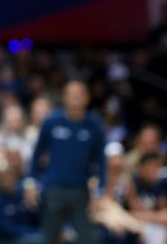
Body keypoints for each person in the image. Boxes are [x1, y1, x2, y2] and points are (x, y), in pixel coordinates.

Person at [28, 81, 105, 244]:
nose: (76, 98)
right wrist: (30, 183)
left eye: (80, 94)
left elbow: (101, 161)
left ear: (88, 98)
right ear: (64, 98)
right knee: (49, 237)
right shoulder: (51, 122)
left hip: (81, 190)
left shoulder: (94, 125)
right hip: (54, 188)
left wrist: (99, 192)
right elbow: (36, 155)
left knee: (88, 238)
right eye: (72, 94)